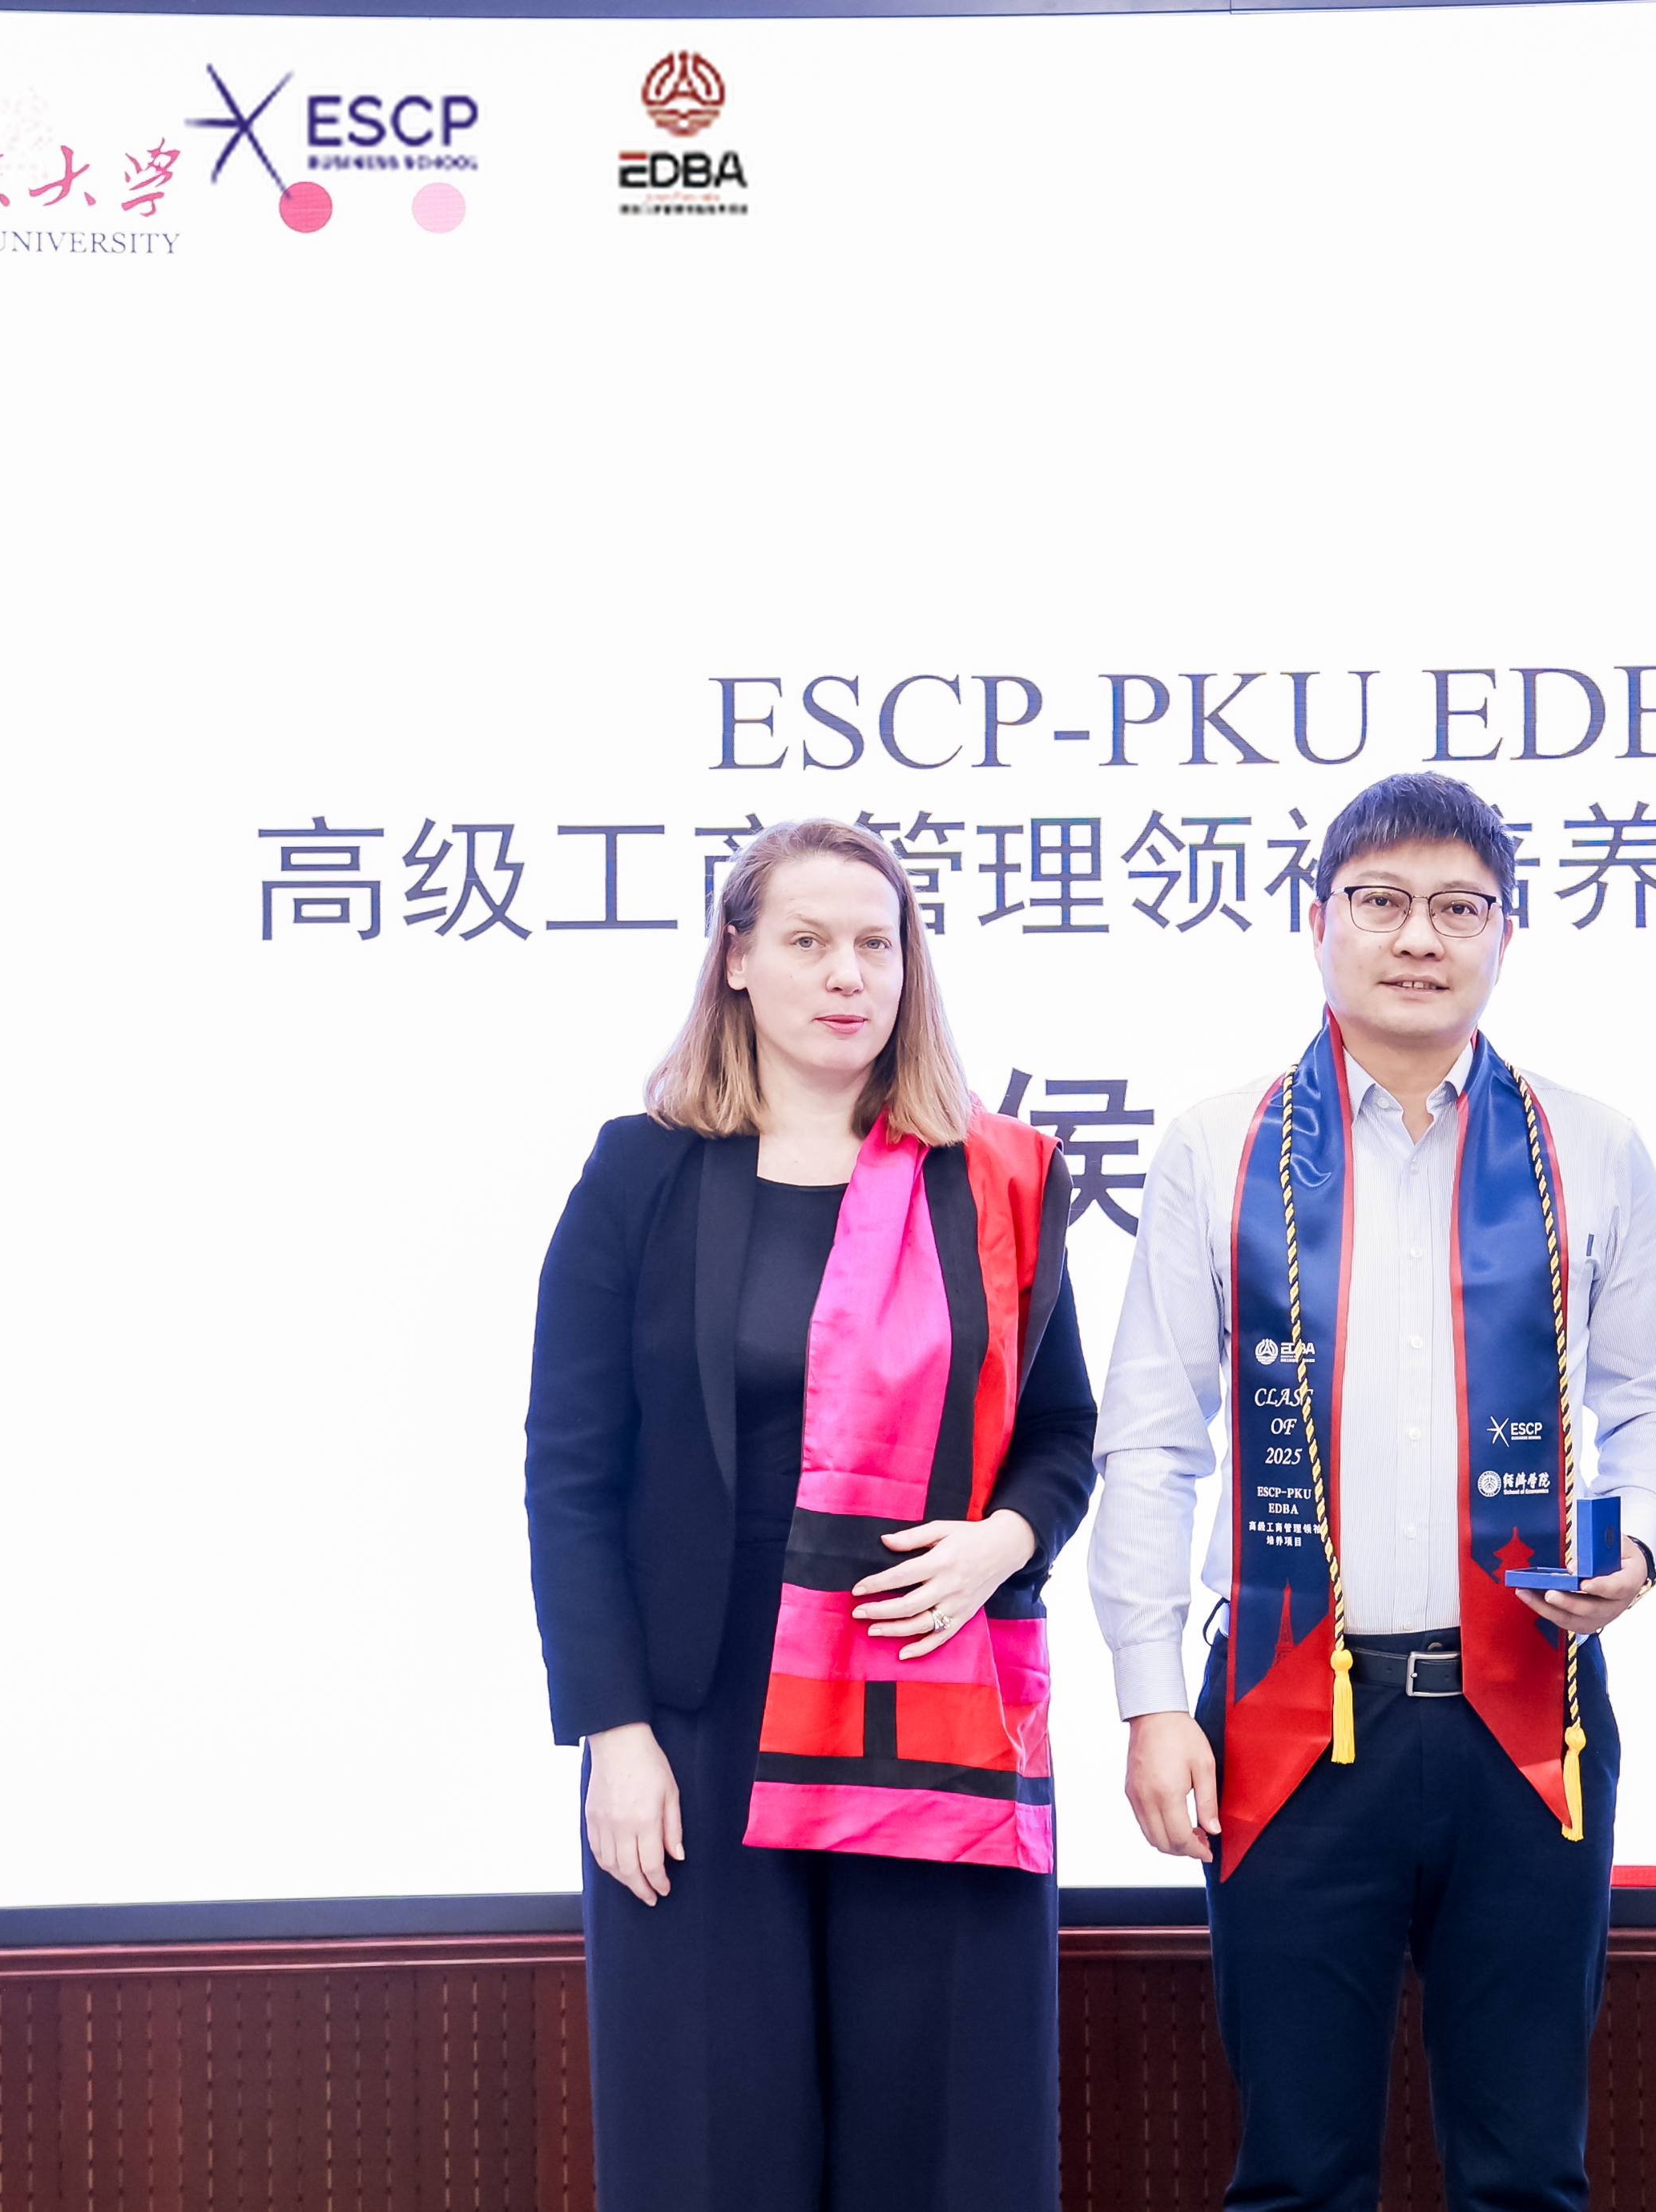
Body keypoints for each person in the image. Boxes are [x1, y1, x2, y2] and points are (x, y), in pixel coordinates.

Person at [1090, 770, 1656, 2212]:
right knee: (1296, 2173)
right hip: (1287, 1713)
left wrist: (1637, 1543)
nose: (1418, 936)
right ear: (1317, 922)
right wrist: (1151, 1700)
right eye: (1380, 902)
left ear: (1504, 934)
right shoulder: (1220, 1143)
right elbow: (1154, 1436)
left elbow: (1653, 1396)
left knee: (1526, 2171)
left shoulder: (1588, 1144)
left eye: (1457, 908)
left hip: (1530, 1708)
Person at [522, 816, 1098, 2212]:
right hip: (699, 1714)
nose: (848, 973)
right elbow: (569, 1472)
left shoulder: (994, 1176)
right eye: (807, 940)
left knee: (946, 2140)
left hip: (930, 1692)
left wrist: (1002, 1542)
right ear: (734, 957)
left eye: (874, 943)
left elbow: (1063, 1434)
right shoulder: (641, 1173)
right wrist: (613, 1733)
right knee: (711, 2139)